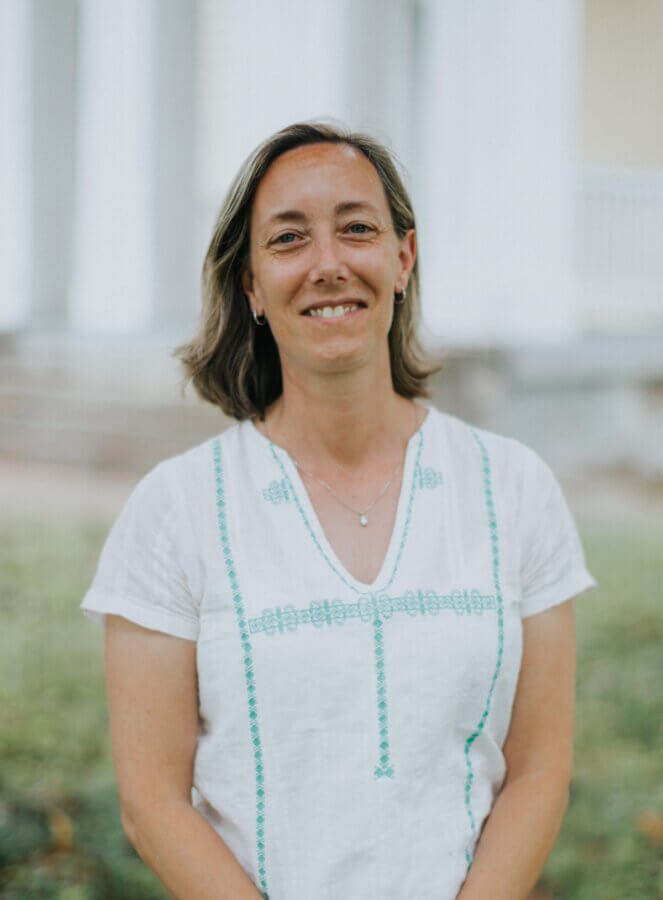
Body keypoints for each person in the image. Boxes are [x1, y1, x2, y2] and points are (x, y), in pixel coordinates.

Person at [81, 121, 596, 900]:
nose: (327, 264)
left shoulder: (512, 489)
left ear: (402, 259)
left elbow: (538, 770)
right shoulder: (175, 511)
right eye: (288, 240)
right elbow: (152, 803)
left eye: (356, 229)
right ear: (251, 286)